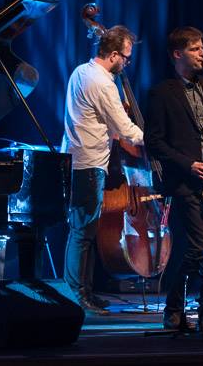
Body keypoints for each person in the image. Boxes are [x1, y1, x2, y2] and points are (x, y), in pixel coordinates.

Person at [146, 27, 203, 332]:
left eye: (202, 48)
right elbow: (154, 142)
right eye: (196, 49)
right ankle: (173, 308)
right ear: (178, 54)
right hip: (187, 182)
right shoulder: (161, 92)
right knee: (201, 249)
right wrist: (191, 165)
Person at [61, 25, 144, 315]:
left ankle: (84, 292)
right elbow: (124, 128)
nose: (127, 63)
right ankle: (76, 294)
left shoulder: (81, 71)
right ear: (112, 54)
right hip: (89, 162)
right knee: (82, 231)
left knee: (85, 230)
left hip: (76, 159)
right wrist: (153, 140)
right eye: (126, 57)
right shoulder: (104, 83)